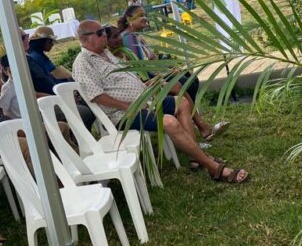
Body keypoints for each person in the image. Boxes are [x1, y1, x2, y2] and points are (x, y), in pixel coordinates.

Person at [72, 20, 248, 183]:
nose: (105, 35)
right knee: (169, 122)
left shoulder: (107, 54)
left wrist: (147, 84)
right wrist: (130, 106)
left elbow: (123, 81)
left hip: (144, 102)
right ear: (85, 38)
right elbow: (95, 96)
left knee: (182, 102)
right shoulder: (83, 63)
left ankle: (196, 157)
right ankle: (213, 167)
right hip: (123, 114)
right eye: (100, 32)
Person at [118, 5, 228, 142]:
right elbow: (141, 69)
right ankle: (198, 125)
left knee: (190, 79)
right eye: (140, 15)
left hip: (154, 74)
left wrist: (168, 68)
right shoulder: (128, 38)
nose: (145, 18)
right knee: (180, 85)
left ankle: (194, 124)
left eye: (145, 14)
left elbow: (152, 60)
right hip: (146, 80)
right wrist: (162, 76)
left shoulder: (137, 37)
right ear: (129, 19)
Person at [20, 28, 96, 130]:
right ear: (42, 42)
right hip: (50, 99)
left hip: (58, 91)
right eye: (50, 41)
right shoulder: (35, 58)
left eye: (26, 36)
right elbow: (42, 86)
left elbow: (50, 78)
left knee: (89, 102)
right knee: (86, 110)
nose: (52, 44)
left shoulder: (35, 56)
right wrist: (65, 96)